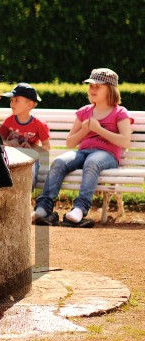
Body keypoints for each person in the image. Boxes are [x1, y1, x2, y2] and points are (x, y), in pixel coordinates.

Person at [32, 68, 133, 228]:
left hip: (107, 155)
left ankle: (79, 209)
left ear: (110, 89)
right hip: (83, 152)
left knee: (92, 162)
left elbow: (125, 141)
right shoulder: (85, 112)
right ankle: (44, 207)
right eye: (91, 85)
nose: (92, 89)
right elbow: (70, 143)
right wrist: (85, 130)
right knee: (59, 161)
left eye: (98, 86)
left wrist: (98, 129)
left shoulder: (120, 112)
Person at [0, 82, 50, 188]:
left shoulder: (39, 124)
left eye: (16, 100)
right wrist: (9, 143)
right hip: (11, 159)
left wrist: (32, 149)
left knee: (31, 168)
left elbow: (46, 146)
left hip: (30, 160)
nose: (12, 104)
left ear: (29, 105)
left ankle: (27, 193)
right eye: (11, 100)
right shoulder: (9, 121)